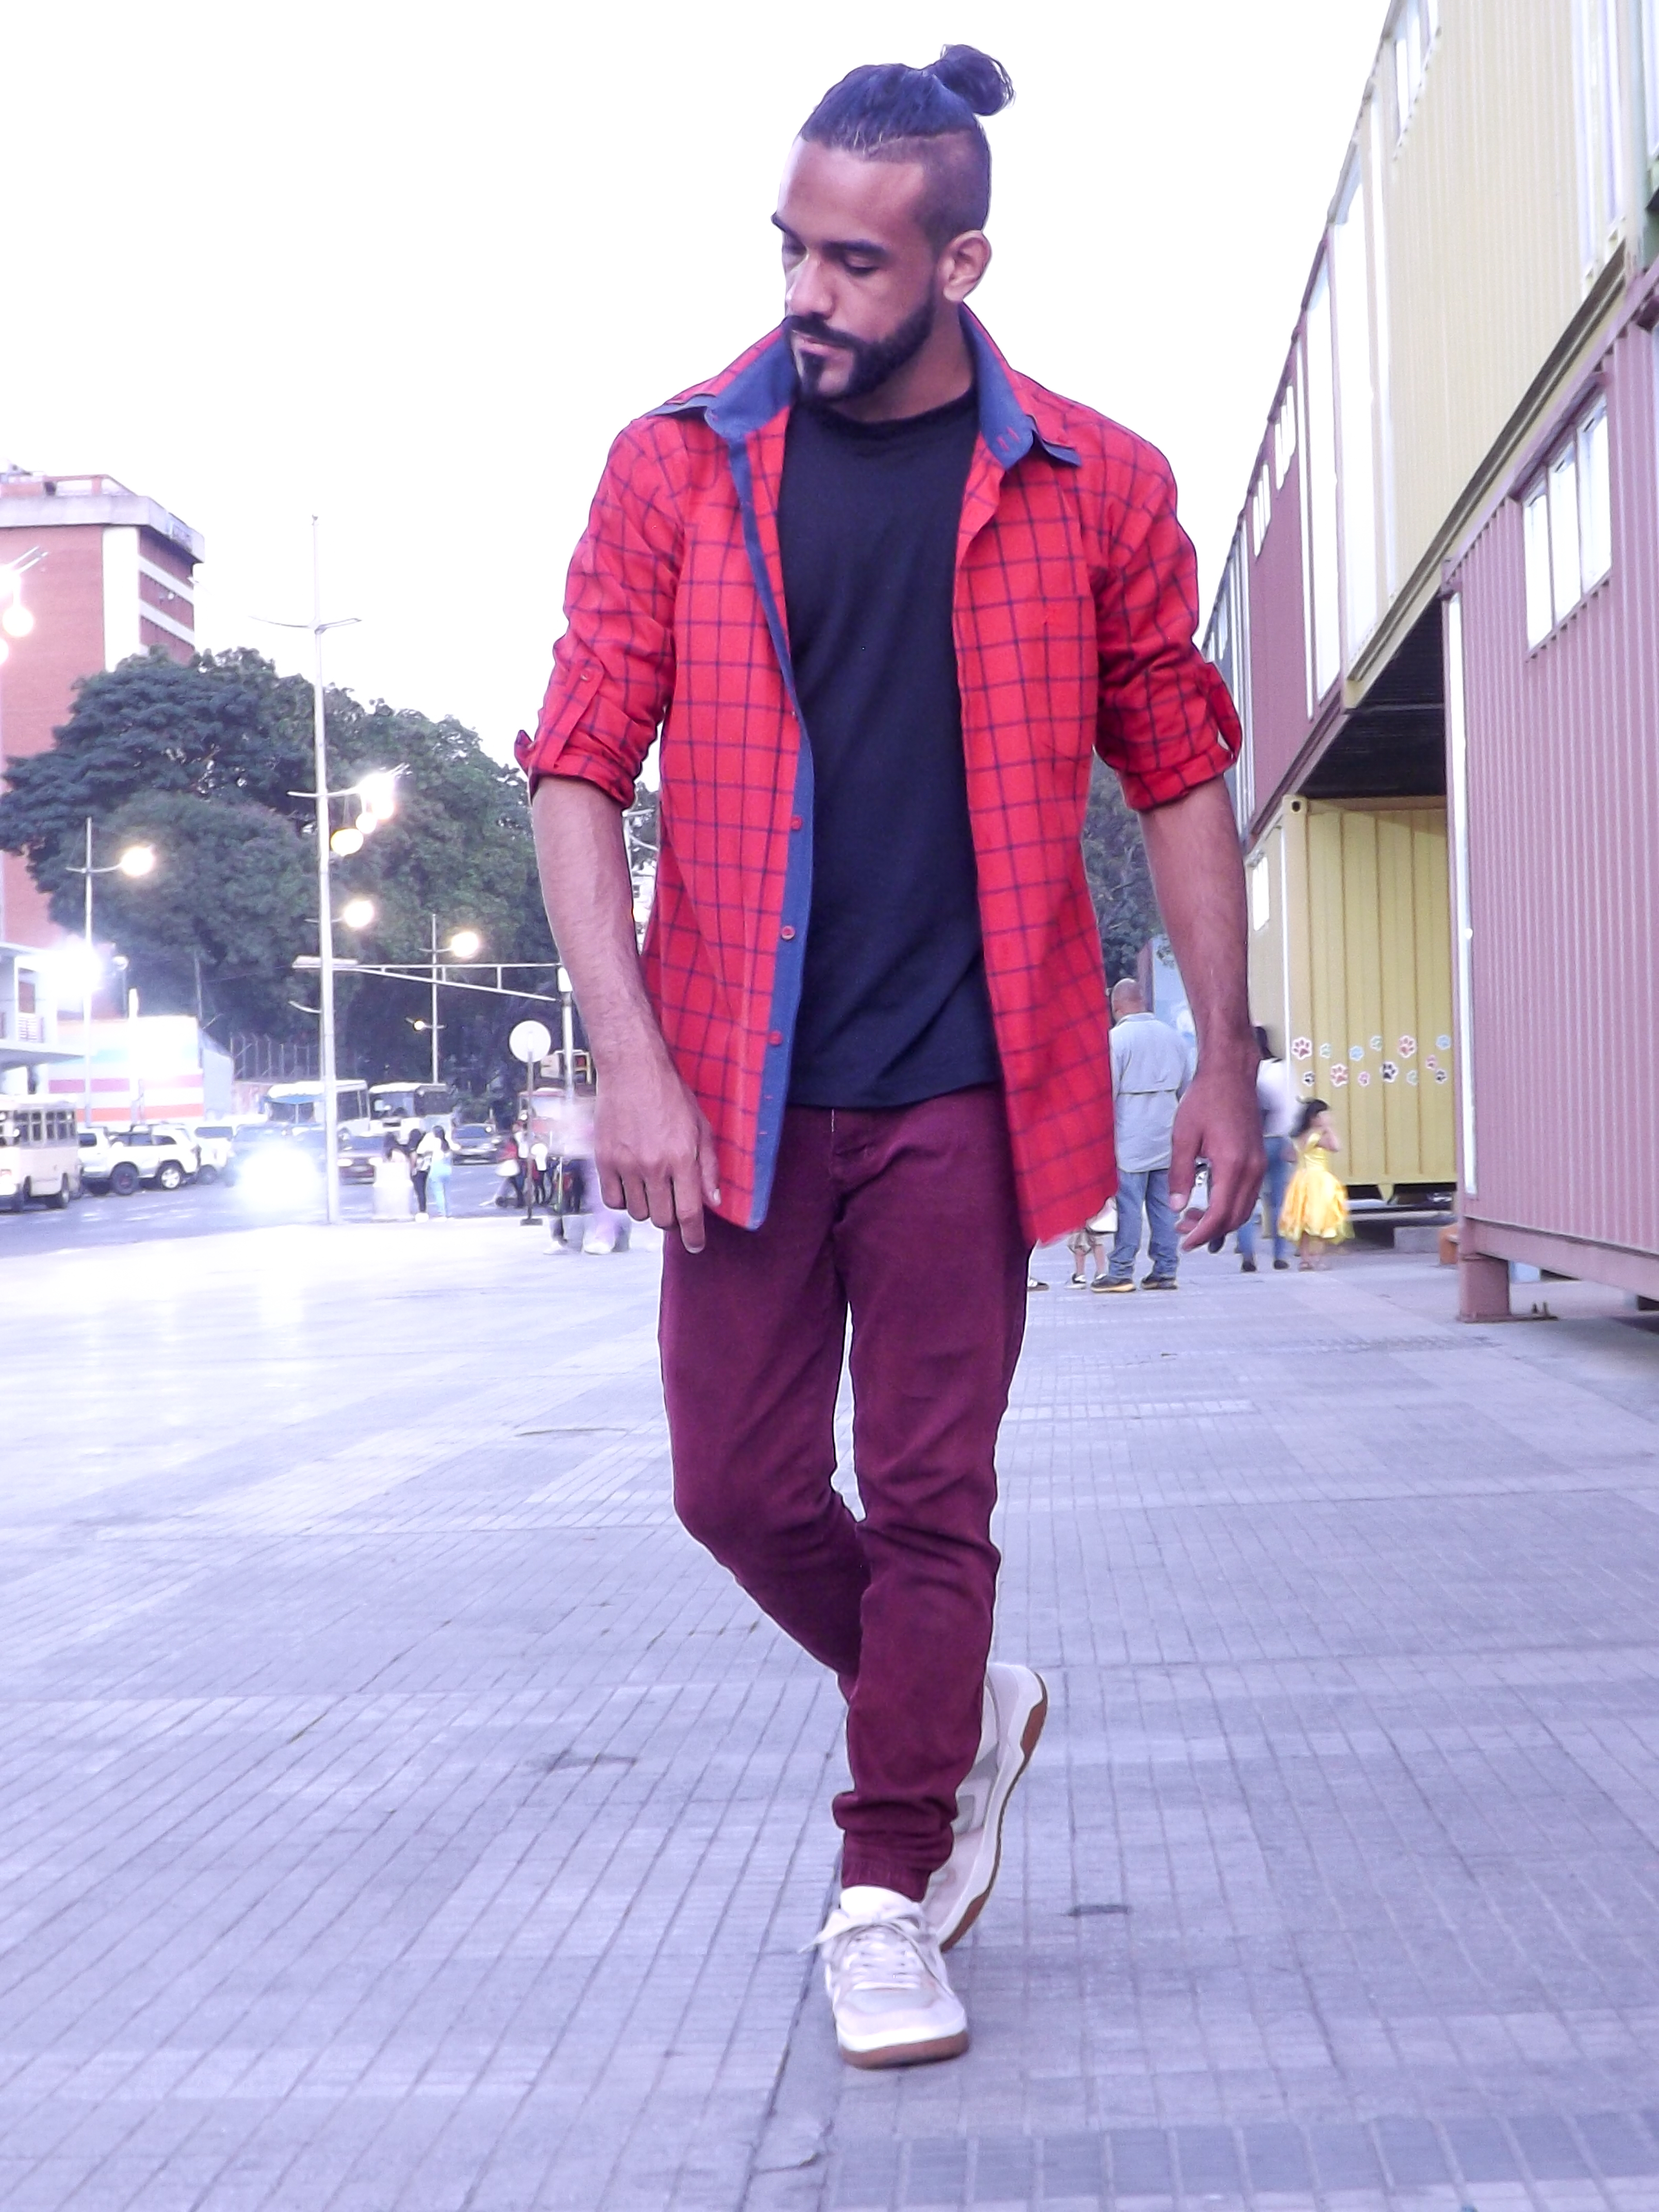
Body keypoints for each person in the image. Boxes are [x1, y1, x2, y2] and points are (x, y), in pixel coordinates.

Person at [519, 44, 1262, 2071]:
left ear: (960, 263)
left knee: (932, 1495)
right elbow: (576, 770)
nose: (807, 293)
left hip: (964, 1079)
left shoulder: (1094, 484)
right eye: (790, 249)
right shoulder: (676, 466)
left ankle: (884, 1880)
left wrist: (1220, 1053)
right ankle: (959, 1703)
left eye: (853, 261)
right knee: (734, 1487)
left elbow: (1179, 772)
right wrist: (628, 1059)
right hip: (737, 1085)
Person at [1099, 978, 1190, 1293]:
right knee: (1163, 1207)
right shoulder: (1173, 1037)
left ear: (1117, 1006)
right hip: (1167, 1132)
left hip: (1130, 1136)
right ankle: (1165, 1270)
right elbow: (1186, 1089)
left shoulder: (1116, 1040)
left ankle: (1121, 1271)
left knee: (1129, 1207)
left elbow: (1108, 1091)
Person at [1225, 1026, 1297, 1273]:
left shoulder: (1236, 1073)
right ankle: (1280, 1255)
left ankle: (1248, 1255)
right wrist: (1291, 1140)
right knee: (1277, 1203)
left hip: (1247, 1145)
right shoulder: (1282, 1069)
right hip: (1278, 1141)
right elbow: (1292, 1107)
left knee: (1246, 1203)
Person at [1279, 1098, 1350, 1268]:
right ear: (1315, 1118)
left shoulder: (1299, 1136)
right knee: (1319, 1220)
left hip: (1300, 1180)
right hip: (1318, 1181)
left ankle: (1305, 1260)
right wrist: (1328, 1130)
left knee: (1303, 1222)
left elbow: (1289, 1156)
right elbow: (1336, 1147)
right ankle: (1317, 1259)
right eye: (1324, 1115)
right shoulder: (1318, 1136)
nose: (1328, 1118)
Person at [1065, 1203, 1112, 1286]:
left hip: (1077, 1206)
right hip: (1096, 1206)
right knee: (1097, 1239)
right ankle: (1101, 1273)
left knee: (1079, 1240)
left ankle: (1080, 1275)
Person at [371, 1131, 413, 1222]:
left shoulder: (392, 1151)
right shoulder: (400, 1149)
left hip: (394, 1177)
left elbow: (394, 1164)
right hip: (403, 1177)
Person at [418, 1125, 452, 1218]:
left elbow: (420, 1150)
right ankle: (449, 1212)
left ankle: (442, 1213)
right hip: (447, 1168)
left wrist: (428, 1138)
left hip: (437, 1167)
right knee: (446, 1192)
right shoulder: (447, 1142)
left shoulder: (435, 1141)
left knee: (438, 1192)